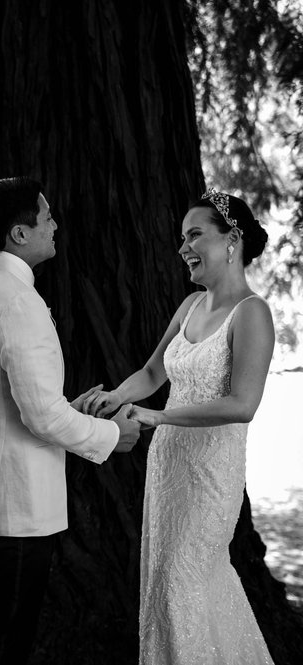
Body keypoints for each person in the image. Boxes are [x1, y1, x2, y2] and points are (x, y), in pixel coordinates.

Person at [0, 176, 141, 665]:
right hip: (12, 506)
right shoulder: (16, 300)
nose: (55, 224)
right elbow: (39, 418)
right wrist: (112, 435)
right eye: (46, 216)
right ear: (20, 234)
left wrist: (65, 408)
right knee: (1, 649)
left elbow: (7, 398)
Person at [82, 189, 275, 664]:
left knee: (181, 581)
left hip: (210, 477)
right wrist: (113, 398)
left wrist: (160, 416)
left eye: (195, 235)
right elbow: (152, 374)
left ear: (232, 240)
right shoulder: (189, 305)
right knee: (163, 584)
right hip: (168, 471)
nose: (182, 248)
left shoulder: (252, 313)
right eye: (181, 237)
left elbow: (242, 403)